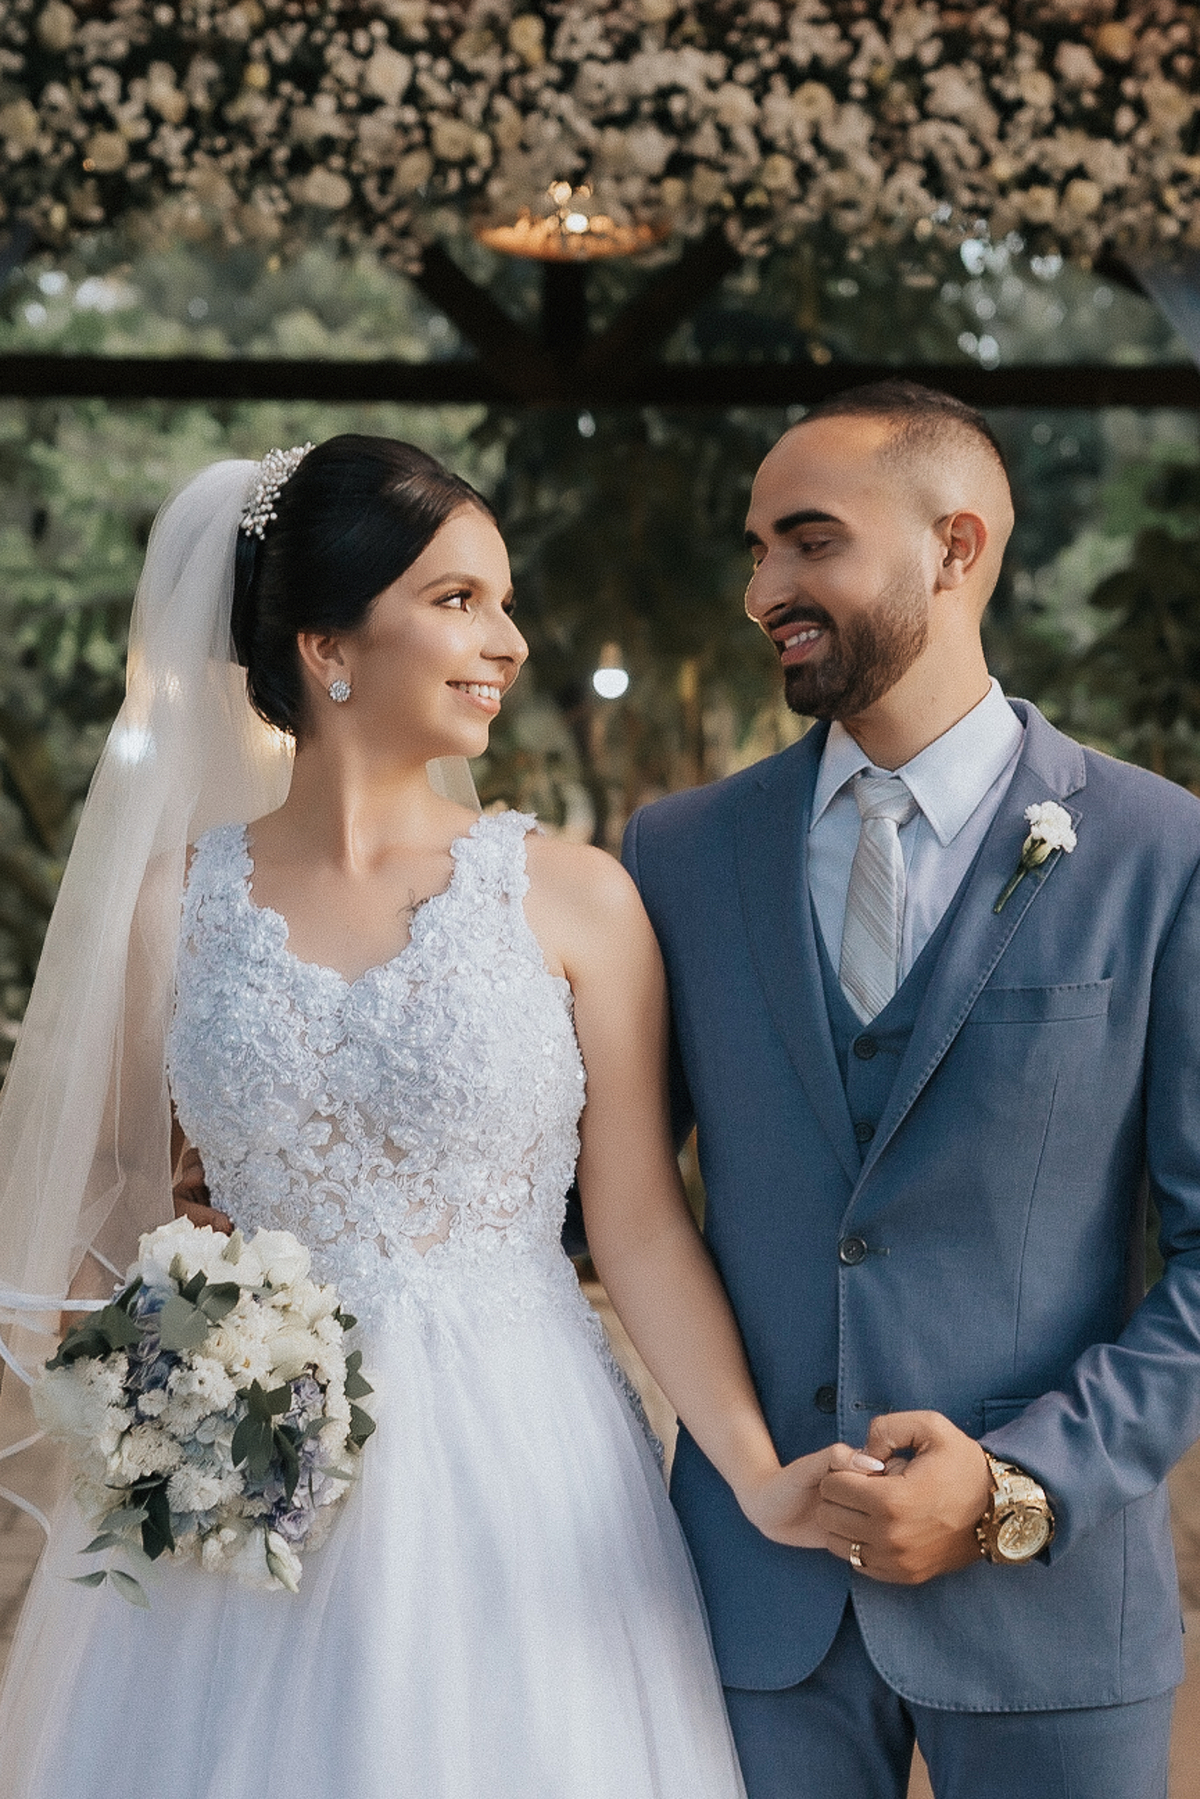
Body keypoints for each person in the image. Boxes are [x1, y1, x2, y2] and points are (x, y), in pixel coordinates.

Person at [0, 435, 872, 1798]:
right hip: (245, 1483)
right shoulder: (173, 906)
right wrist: (161, 1387)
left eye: (504, 602)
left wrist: (758, 1473)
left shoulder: (576, 899)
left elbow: (641, 1230)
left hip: (520, 1472)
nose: (508, 642)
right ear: (327, 646)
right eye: (458, 600)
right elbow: (114, 1208)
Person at [621, 381, 1200, 1799]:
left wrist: (1017, 1484)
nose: (764, 590)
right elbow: (600, 1191)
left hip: (1054, 1611)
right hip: (756, 1601)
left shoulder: (1160, 851)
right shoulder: (679, 856)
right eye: (756, 550)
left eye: (810, 541)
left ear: (957, 546)